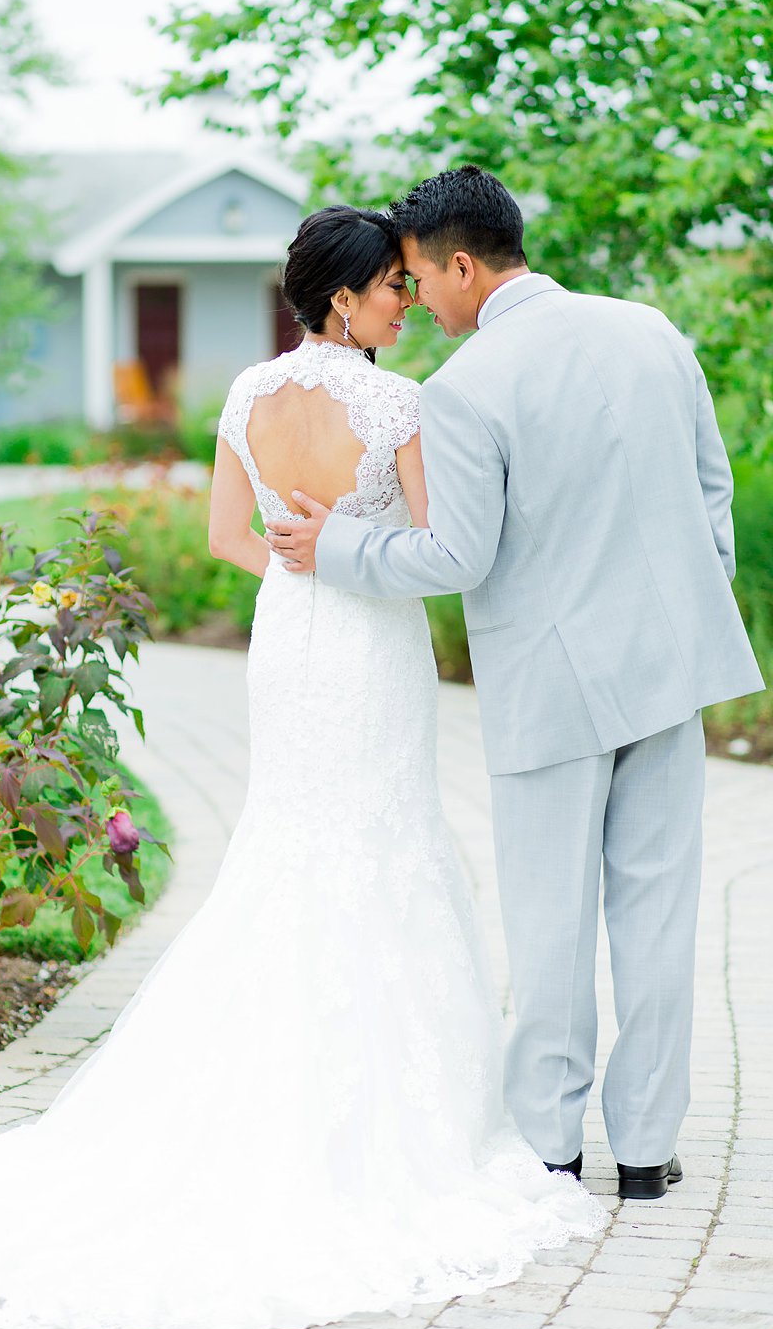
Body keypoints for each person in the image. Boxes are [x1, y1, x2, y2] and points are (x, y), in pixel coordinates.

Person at [0, 203, 605, 1329]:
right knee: (377, 841)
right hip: (361, 642)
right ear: (342, 299)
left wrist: (296, 566)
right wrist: (345, 561)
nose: (404, 302)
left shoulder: (247, 396)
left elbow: (224, 538)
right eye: (391, 287)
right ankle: (396, 1125)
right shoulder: (397, 403)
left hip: (287, 639)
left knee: (292, 843)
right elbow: (435, 557)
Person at [268, 165, 762, 1200]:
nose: (415, 302)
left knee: (550, 927)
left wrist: (340, 549)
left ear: (459, 265)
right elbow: (709, 491)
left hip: (550, 693)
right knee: (658, 921)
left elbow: (454, 558)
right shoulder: (648, 332)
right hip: (666, 679)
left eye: (415, 279)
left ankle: (547, 1146)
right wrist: (672, 602)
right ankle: (642, 1151)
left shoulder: (465, 390)